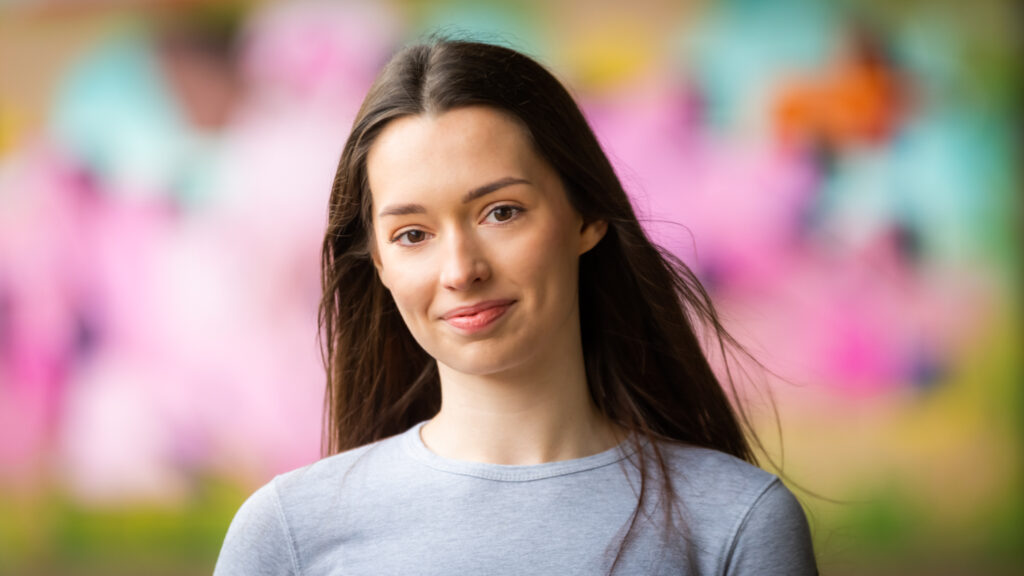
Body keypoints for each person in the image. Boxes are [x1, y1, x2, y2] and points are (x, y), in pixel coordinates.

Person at [214, 38, 818, 576]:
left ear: (586, 216)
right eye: (412, 234)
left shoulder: (737, 522)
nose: (460, 270)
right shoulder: (288, 534)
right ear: (378, 262)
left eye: (501, 212)